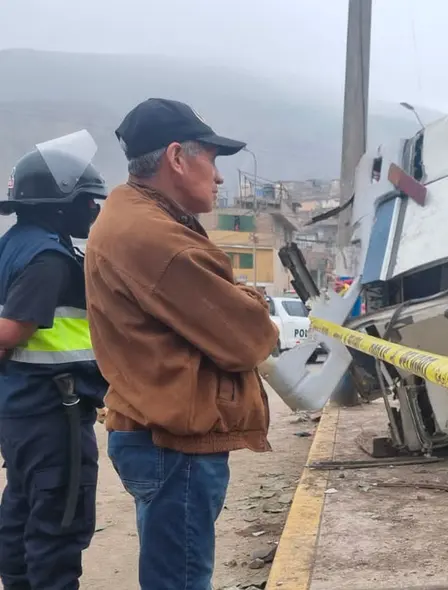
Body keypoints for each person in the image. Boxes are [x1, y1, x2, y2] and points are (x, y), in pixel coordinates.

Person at [83, 99, 279, 589]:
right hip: (175, 445)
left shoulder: (138, 219)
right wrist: (250, 299)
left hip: (160, 434)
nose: (217, 178)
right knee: (182, 581)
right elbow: (251, 338)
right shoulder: (158, 239)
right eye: (212, 160)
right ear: (176, 157)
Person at [0, 131, 109, 589]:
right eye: (88, 200)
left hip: (24, 410)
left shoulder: (17, 242)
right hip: (52, 415)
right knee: (58, 525)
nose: (94, 209)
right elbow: (11, 330)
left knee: (21, 513)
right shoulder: (49, 257)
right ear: (60, 202)